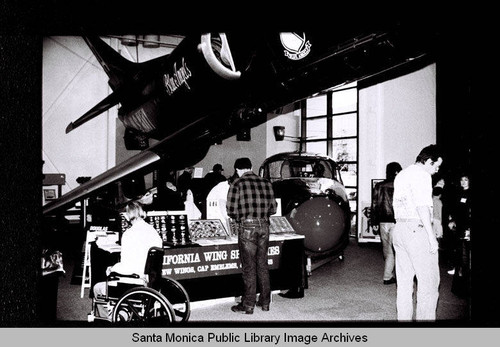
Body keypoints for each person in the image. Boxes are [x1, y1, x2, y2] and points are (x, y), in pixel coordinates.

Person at [392, 144, 443, 321]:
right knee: (428, 284)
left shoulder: (403, 174)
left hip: (399, 229)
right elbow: (422, 206)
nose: (436, 171)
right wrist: (431, 237)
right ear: (429, 161)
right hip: (417, 229)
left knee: (404, 284)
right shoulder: (422, 175)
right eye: (436, 166)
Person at [92, 201, 162, 319]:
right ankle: (125, 311)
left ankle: (109, 319)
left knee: (98, 287)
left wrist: (112, 269)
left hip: (134, 281)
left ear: (127, 215)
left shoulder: (129, 234)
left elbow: (126, 265)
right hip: (150, 280)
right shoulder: (153, 231)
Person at [226, 157, 277, 314]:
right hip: (264, 227)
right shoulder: (266, 183)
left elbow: (231, 211)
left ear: (238, 170)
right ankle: (265, 302)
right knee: (262, 265)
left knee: (248, 268)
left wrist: (241, 218)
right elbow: (273, 209)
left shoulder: (237, 183)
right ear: (251, 166)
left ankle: (248, 305)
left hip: (247, 227)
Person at [371, 162, 402, 285]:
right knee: (396, 251)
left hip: (382, 222)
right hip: (397, 222)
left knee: (386, 249)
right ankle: (388, 277)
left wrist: (374, 221)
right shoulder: (400, 185)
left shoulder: (378, 186)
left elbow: (374, 205)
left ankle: (388, 274)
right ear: (397, 172)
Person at [447, 174, 471, 276]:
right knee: (458, 248)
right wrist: (452, 219)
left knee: (465, 249)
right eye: (462, 180)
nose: (463, 182)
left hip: (467, 224)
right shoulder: (458, 193)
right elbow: (455, 209)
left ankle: (464, 271)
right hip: (459, 224)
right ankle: (458, 269)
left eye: (466, 180)